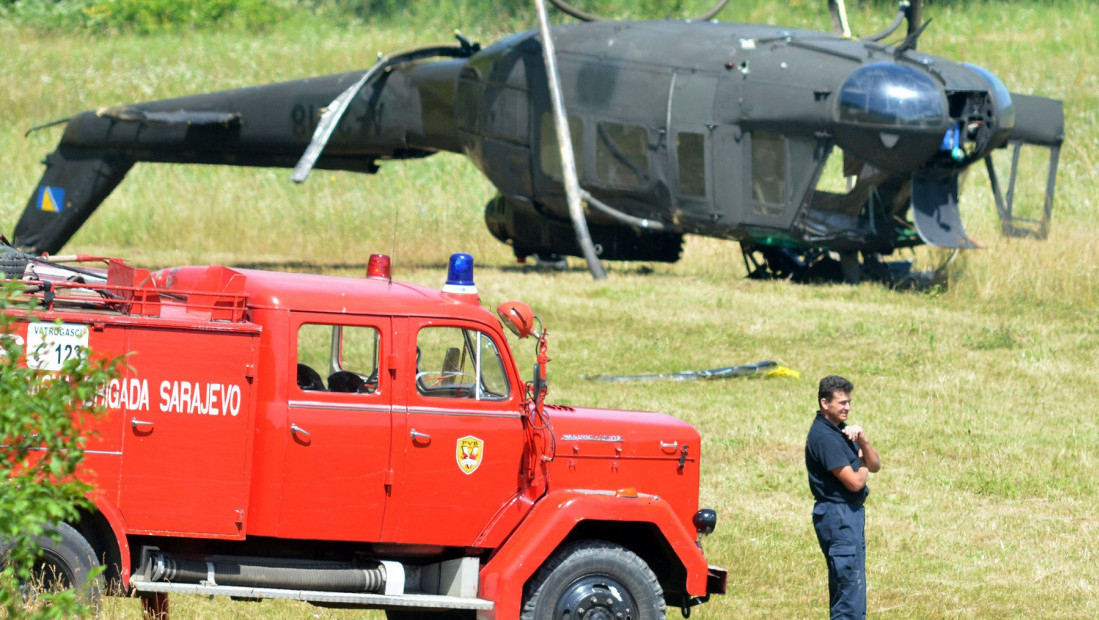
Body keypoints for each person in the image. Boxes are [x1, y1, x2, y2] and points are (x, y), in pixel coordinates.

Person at [805, 375, 881, 620]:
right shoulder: (825, 438)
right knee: (848, 596)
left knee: (852, 592)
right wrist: (861, 460)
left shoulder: (839, 431)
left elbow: (876, 465)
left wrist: (864, 441)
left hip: (848, 516)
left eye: (849, 402)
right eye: (841, 403)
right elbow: (855, 482)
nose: (847, 407)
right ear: (824, 403)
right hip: (838, 517)